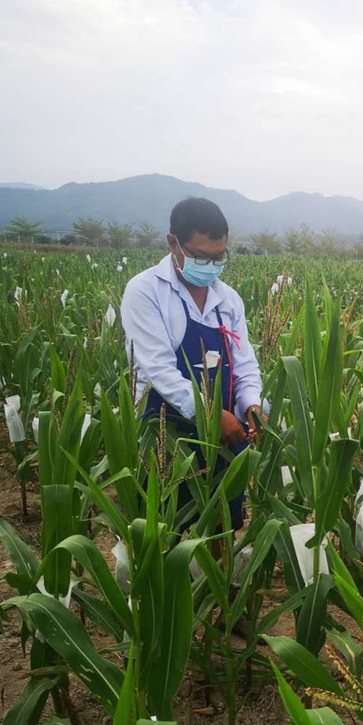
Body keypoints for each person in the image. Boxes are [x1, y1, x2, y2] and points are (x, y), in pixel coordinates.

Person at [120, 196, 262, 529]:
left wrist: (252, 405)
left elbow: (244, 365)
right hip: (167, 431)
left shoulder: (228, 299)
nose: (211, 266)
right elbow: (158, 370)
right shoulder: (145, 291)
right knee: (166, 523)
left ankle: (218, 581)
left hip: (227, 431)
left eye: (219, 257)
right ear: (173, 243)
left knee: (223, 521)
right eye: (201, 257)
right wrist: (210, 415)